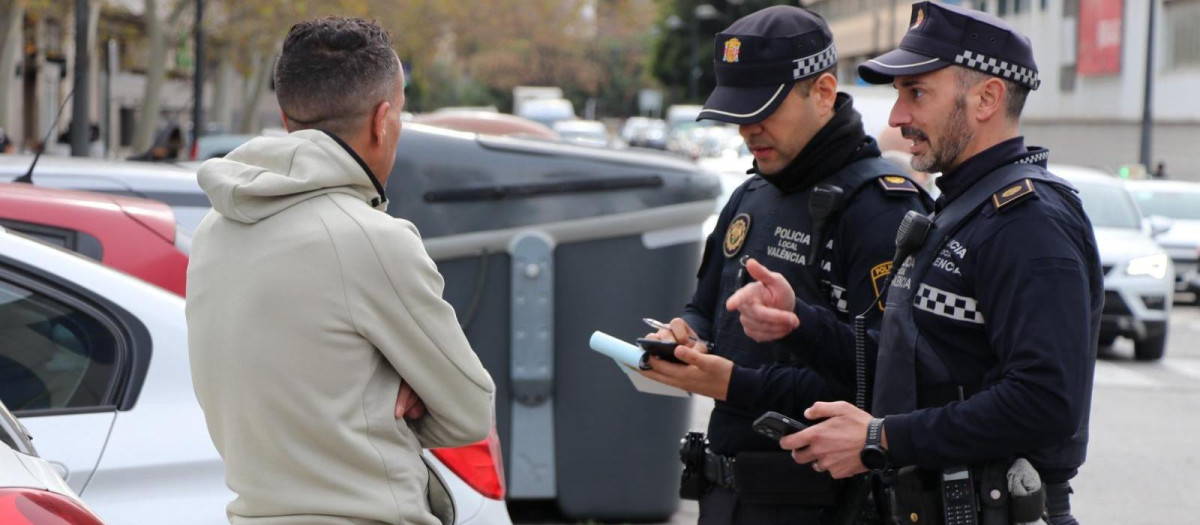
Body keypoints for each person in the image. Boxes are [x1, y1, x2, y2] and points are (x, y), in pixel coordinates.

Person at [726, 3, 1101, 524]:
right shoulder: (964, 208)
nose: (898, 117)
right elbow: (906, 371)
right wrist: (799, 324)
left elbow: (1044, 401)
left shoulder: (1027, 223)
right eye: (898, 95)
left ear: (987, 98)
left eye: (916, 93)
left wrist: (881, 438)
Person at [186, 17, 495, 525]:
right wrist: (392, 397)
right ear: (382, 121)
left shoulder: (214, 231)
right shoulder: (374, 240)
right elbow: (469, 409)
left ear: (287, 120)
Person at [637, 6, 930, 524]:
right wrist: (687, 335)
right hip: (724, 493)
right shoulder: (751, 193)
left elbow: (887, 379)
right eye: (737, 113)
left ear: (821, 91)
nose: (748, 130)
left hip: (821, 503)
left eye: (763, 110)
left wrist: (734, 384)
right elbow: (706, 309)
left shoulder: (880, 207)